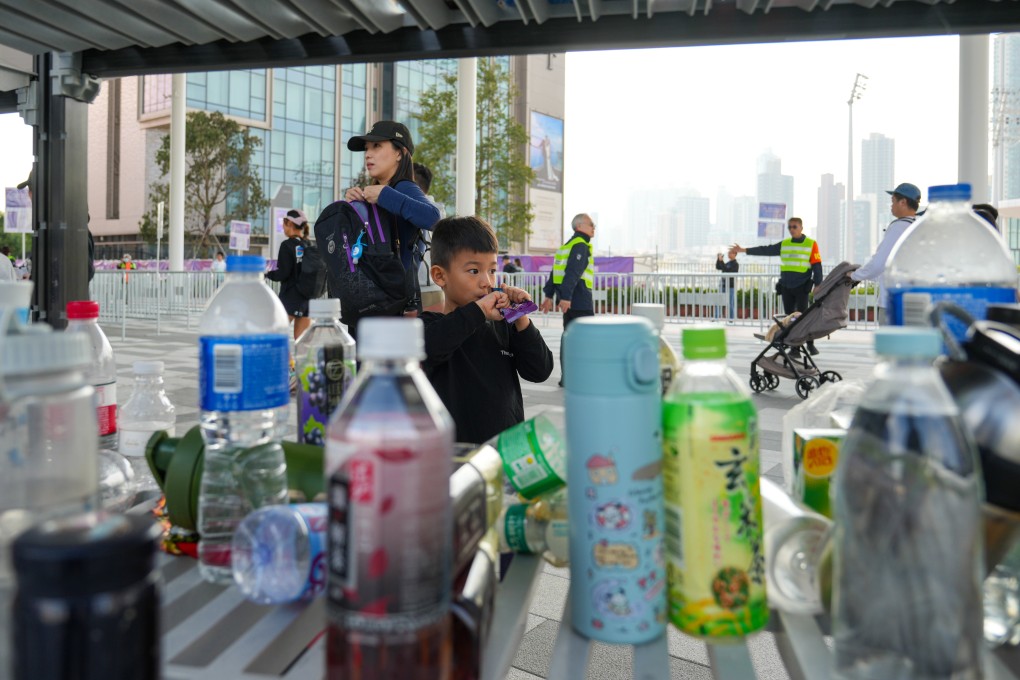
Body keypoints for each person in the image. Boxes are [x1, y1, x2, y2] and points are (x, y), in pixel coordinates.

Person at [421, 215, 553, 444]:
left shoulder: (504, 323)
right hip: (455, 457)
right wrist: (478, 311)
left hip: (506, 453)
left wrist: (520, 318)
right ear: (440, 276)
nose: (486, 281)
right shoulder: (430, 326)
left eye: (492, 270)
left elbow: (540, 371)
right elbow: (431, 346)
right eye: (474, 271)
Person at [346, 122, 441, 316]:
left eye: (377, 146)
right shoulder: (372, 193)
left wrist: (385, 195)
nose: (368, 154)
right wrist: (354, 205)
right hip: (370, 300)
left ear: (400, 153)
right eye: (366, 148)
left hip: (395, 306)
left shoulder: (403, 187)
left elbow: (433, 218)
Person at [731, 217, 822, 355]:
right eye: (789, 227)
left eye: (794, 227)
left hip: (802, 286)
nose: (792, 229)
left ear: (801, 228)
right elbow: (765, 250)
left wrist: (818, 284)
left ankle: (810, 344)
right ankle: (794, 348)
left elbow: (817, 265)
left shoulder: (811, 244)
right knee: (789, 319)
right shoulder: (785, 244)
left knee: (802, 317)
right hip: (786, 286)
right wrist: (743, 250)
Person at [848, 182, 920, 325]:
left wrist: (854, 276)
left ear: (903, 202)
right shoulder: (916, 227)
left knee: (890, 346)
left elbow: (879, 263)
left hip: (892, 302)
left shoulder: (899, 226)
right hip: (910, 300)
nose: (891, 206)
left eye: (893, 201)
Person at [540, 213, 596, 386]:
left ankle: (568, 377)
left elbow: (554, 273)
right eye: (591, 224)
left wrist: (549, 295)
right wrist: (566, 297)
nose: (594, 228)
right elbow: (573, 272)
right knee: (585, 338)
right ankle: (581, 377)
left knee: (569, 336)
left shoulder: (566, 246)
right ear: (579, 226)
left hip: (570, 300)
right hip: (578, 300)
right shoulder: (580, 245)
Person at [265, 209, 313, 340]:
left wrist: (267, 274)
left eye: (284, 224)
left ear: (290, 224)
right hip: (307, 299)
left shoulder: (287, 245)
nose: (283, 227)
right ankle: (301, 361)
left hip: (290, 297)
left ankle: (286, 361)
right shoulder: (308, 244)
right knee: (302, 341)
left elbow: (283, 273)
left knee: (277, 336)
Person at [715, 251, 739, 322]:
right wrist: (718, 260)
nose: (729, 254)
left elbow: (727, 270)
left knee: (730, 303)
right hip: (723, 285)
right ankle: (716, 317)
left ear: (735, 254)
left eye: (730, 253)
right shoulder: (728, 263)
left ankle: (731, 319)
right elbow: (719, 267)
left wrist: (722, 261)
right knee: (718, 301)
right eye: (728, 253)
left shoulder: (735, 264)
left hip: (730, 286)